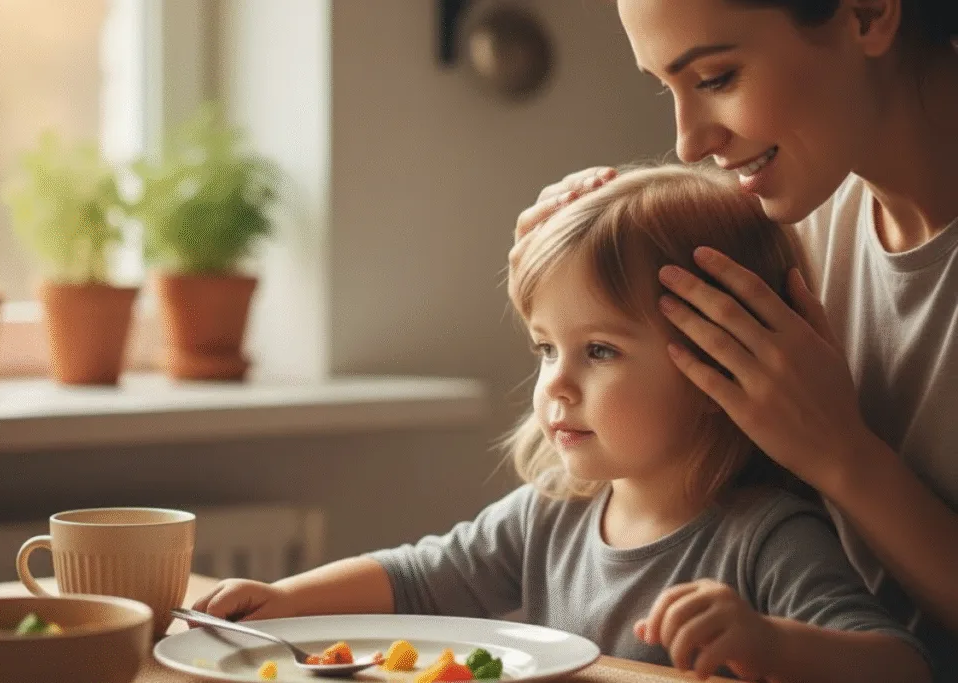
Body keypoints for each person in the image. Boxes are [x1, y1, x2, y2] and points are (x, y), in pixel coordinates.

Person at [194, 165, 930, 682]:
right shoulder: (554, 514)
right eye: (547, 348)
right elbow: (420, 576)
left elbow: (900, 663)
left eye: (600, 350)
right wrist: (287, 600)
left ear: (718, 368)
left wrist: (772, 643)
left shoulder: (767, 535)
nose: (556, 383)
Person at [511, 1, 958, 678]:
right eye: (667, 88)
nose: (688, 142)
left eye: (716, 78)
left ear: (867, 14)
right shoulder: (788, 223)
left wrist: (843, 455)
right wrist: (562, 270)